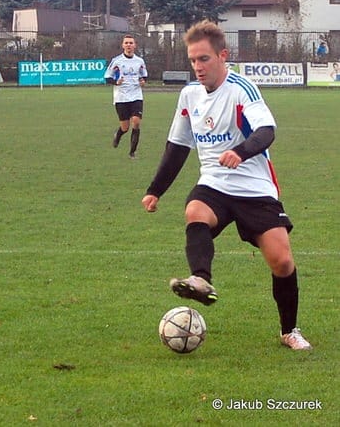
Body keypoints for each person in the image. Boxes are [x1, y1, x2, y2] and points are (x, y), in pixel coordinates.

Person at [141, 20, 312, 350]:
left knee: (282, 261)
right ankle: (201, 280)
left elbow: (266, 131)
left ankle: (289, 330)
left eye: (204, 59)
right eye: (192, 60)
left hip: (255, 187)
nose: (198, 67)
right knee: (195, 211)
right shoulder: (189, 95)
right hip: (214, 184)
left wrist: (241, 151)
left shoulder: (241, 89)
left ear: (223, 55)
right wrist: (155, 190)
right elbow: (177, 148)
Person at [104, 34, 147, 158]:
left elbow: (144, 75)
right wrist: (116, 82)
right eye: (126, 43)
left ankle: (132, 152)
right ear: (123, 45)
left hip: (136, 95)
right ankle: (118, 135)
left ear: (135, 45)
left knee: (136, 121)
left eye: (131, 43)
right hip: (121, 97)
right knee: (125, 127)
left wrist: (143, 81)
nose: (129, 45)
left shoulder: (139, 61)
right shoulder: (117, 61)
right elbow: (107, 77)